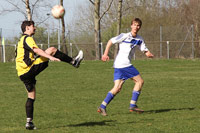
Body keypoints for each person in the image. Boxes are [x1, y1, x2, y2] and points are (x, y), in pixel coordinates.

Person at [16, 20, 84, 130]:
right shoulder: (27, 38)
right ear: (27, 28)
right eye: (33, 26)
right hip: (29, 69)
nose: (35, 28)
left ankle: (29, 122)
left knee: (31, 96)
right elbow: (37, 50)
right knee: (51, 50)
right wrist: (50, 57)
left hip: (22, 73)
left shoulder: (20, 40)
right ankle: (74, 62)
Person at [97, 18, 153, 116]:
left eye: (138, 25)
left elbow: (144, 49)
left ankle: (102, 106)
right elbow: (111, 41)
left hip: (118, 65)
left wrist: (148, 54)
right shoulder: (125, 36)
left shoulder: (139, 39)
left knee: (117, 88)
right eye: (134, 25)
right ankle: (132, 105)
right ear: (131, 26)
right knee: (140, 81)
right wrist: (105, 54)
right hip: (124, 64)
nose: (136, 27)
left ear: (140, 27)